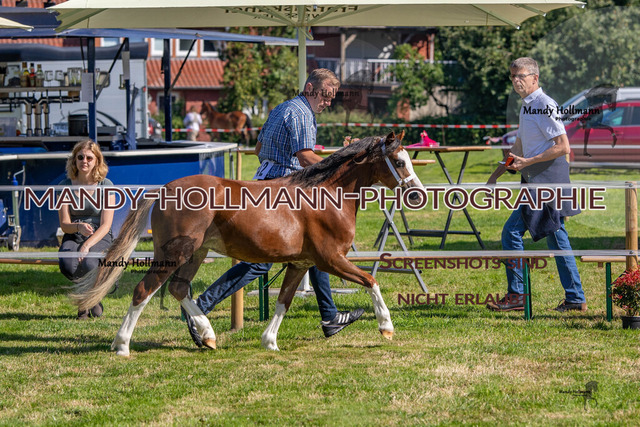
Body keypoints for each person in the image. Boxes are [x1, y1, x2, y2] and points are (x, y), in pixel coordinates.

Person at [183, 69, 363, 345]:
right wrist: (339, 166)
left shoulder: (282, 108)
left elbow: (258, 148)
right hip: (284, 189)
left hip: (266, 182)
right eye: (326, 96)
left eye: (332, 98)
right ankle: (202, 305)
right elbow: (305, 157)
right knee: (261, 260)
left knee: (317, 249)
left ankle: (329, 316)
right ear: (310, 88)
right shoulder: (303, 114)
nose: (328, 102)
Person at [486, 57, 586, 313]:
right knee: (557, 238)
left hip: (546, 181)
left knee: (512, 232)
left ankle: (518, 295)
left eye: (520, 76)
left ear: (534, 78)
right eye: (512, 76)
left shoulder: (543, 105)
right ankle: (575, 298)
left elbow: (563, 147)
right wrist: (496, 174)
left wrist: (527, 162)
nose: (516, 81)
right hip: (537, 180)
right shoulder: (528, 106)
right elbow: (519, 147)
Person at [58, 140, 115, 320]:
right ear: (74, 160)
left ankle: (85, 303)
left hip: (100, 235)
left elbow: (106, 224)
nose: (84, 161)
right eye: (80, 157)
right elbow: (64, 224)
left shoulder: (106, 185)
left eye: (89, 158)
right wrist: (78, 227)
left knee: (90, 263)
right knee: (68, 264)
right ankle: (91, 300)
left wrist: (87, 245)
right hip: (73, 233)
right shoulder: (64, 186)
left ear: (97, 161)